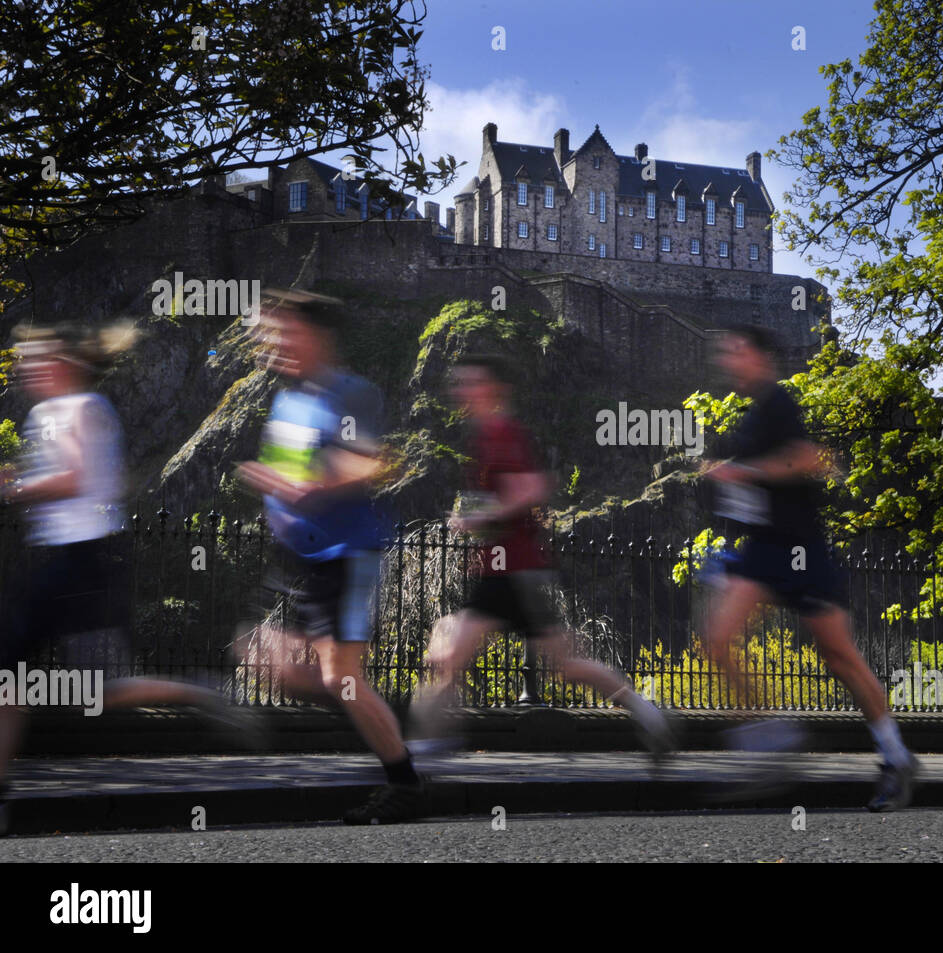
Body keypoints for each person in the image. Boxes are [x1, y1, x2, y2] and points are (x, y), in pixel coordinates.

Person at [0, 322, 239, 836]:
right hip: (54, 558)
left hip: (87, 558)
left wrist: (17, 489)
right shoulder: (43, 414)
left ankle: (197, 690)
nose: (26, 367)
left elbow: (76, 478)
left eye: (36, 357)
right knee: (14, 679)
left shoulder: (86, 409)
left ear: (65, 363)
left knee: (98, 689)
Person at [410, 353, 674, 756]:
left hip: (516, 569)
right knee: (458, 654)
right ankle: (429, 745)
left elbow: (533, 489)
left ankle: (422, 751)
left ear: (495, 389)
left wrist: (478, 519)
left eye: (472, 381)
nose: (462, 389)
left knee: (548, 662)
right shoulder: (484, 435)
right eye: (461, 382)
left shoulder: (502, 432)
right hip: (502, 568)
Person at [700, 325, 918, 812]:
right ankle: (770, 741)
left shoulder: (780, 403)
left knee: (839, 656)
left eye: (736, 351)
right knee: (716, 638)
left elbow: (810, 459)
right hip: (760, 551)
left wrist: (744, 472)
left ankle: (897, 756)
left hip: (802, 550)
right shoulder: (752, 415)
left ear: (761, 357)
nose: (728, 360)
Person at [235, 289, 424, 825]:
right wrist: (278, 490)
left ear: (314, 334)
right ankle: (388, 718)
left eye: (280, 331)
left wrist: (302, 484)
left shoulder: (352, 392)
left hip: (346, 552)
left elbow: (370, 464)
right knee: (268, 661)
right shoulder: (286, 400)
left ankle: (405, 782)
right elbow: (283, 473)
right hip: (298, 556)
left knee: (341, 678)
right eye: (265, 335)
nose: (269, 343)